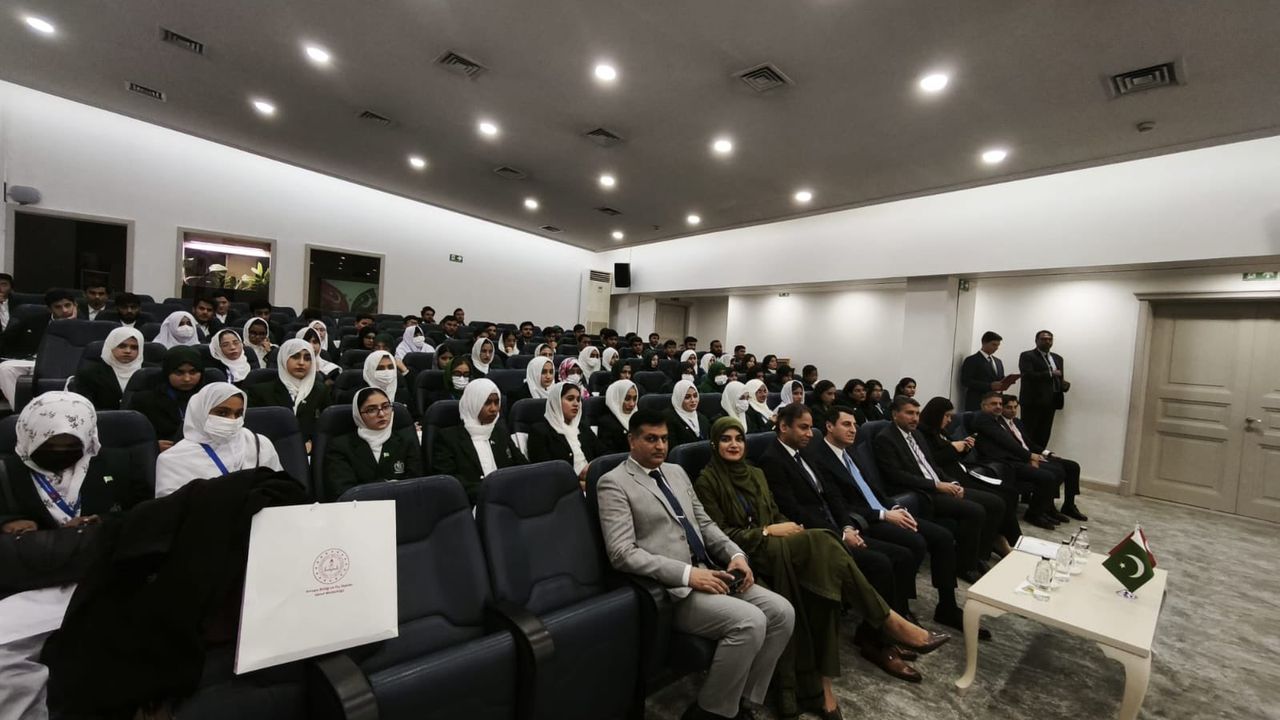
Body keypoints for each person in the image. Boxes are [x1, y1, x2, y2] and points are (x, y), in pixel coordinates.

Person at [695, 418, 951, 710]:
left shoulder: (755, 473)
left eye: (739, 439)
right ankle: (889, 621)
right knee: (827, 541)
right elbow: (719, 535)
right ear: (714, 444)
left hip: (782, 543)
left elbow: (775, 512)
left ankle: (823, 684)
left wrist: (787, 526)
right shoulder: (706, 482)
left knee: (825, 584)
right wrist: (767, 531)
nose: (734, 445)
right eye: (725, 439)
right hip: (752, 552)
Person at [595, 409, 796, 720]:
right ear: (632, 440)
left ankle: (742, 702)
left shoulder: (676, 472)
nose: (660, 446)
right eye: (651, 439)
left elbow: (704, 523)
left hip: (712, 571)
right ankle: (711, 712)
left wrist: (736, 555)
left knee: (782, 613)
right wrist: (688, 575)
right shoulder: (613, 482)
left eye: (664, 439)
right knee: (750, 621)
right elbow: (622, 553)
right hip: (673, 589)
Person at [805, 407, 981, 637]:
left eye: (855, 425)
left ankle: (946, 606)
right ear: (829, 426)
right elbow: (839, 505)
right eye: (846, 424)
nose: (853, 430)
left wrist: (894, 507)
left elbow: (873, 488)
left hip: (885, 510)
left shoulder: (850, 451)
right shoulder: (820, 458)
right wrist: (883, 515)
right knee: (914, 545)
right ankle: (899, 609)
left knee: (943, 537)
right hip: (866, 520)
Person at [756, 404, 920, 650]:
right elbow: (793, 510)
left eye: (810, 428)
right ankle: (875, 641)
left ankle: (889, 626)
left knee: (903, 555)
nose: (810, 434)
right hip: (815, 535)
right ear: (783, 427)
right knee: (880, 564)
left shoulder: (804, 452)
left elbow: (832, 496)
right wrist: (840, 535)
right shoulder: (772, 460)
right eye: (803, 428)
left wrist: (846, 526)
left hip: (837, 526)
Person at [872, 395, 1003, 578]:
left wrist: (952, 482)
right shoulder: (885, 438)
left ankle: (980, 556)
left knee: (996, 502)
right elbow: (897, 476)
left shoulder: (916, 434)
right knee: (975, 511)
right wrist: (937, 486)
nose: (915, 418)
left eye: (917, 413)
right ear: (895, 414)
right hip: (921, 493)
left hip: (938, 485)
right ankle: (965, 566)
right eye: (909, 413)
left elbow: (932, 466)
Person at [918, 396, 1020, 552]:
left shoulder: (940, 431)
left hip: (962, 472)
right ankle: (999, 543)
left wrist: (964, 448)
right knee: (998, 501)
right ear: (936, 415)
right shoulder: (923, 434)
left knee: (1008, 492)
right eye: (947, 416)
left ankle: (1006, 539)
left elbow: (951, 455)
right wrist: (953, 448)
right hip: (950, 479)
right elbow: (932, 461)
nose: (950, 420)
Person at [154, 383, 283, 497]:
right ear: (201, 412)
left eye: (238, 414)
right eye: (222, 413)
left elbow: (280, 489)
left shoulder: (260, 444)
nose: (232, 420)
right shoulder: (173, 459)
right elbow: (169, 510)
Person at [432, 378, 526, 504]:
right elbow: (449, 481)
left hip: (509, 499)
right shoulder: (448, 438)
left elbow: (523, 466)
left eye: (496, 402)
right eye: (487, 403)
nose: (494, 409)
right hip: (471, 504)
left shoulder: (500, 432)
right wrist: (490, 492)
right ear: (473, 403)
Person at [323, 387, 423, 500]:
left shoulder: (406, 440)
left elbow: (417, 484)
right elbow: (343, 491)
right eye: (371, 410)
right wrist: (387, 487)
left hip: (403, 503)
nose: (381, 414)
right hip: (360, 507)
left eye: (386, 407)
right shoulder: (341, 446)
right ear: (358, 414)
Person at [1001, 394, 1086, 521]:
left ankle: (1069, 505)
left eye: (1015, 407)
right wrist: (1031, 457)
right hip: (1022, 458)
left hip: (1032, 454)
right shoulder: (999, 424)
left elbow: (1029, 443)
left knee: (1073, 466)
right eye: (1009, 407)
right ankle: (1047, 507)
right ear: (1002, 408)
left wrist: (1048, 453)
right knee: (1056, 470)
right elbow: (1011, 448)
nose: (1013, 410)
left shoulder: (1017, 422)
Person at [245, 338, 331, 447]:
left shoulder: (321, 390)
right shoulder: (259, 392)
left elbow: (326, 427)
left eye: (307, 358)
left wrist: (314, 443)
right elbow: (255, 430)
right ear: (283, 358)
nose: (301, 363)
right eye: (295, 357)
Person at [0, 289, 78, 406]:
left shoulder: (84, 324)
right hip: (31, 361)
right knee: (5, 369)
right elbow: (5, 339)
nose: (64, 310)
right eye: (58, 307)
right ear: (49, 309)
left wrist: (70, 325)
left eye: (68, 305)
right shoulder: (34, 320)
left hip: (63, 364)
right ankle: (23, 409)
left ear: (75, 305)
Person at [124, 346, 206, 451]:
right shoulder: (144, 401)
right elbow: (128, 436)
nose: (187, 378)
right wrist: (151, 445)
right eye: (179, 372)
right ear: (167, 372)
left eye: (193, 372)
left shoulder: (210, 399)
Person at [527, 381, 601, 484]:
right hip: (565, 488)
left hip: (594, 481)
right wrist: (578, 483)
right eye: (570, 399)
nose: (576, 404)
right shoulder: (540, 431)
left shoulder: (582, 427)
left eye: (578, 399)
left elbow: (602, 454)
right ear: (556, 402)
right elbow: (545, 473)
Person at [72, 326, 144, 411]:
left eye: (134, 347)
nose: (128, 351)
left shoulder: (148, 374)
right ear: (110, 346)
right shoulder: (89, 373)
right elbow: (84, 408)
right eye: (122, 346)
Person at [1018, 330, 1070, 447]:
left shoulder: (1057, 358)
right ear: (1036, 341)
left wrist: (1063, 384)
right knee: (1029, 433)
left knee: (1044, 434)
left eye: (1049, 339)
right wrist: (1050, 373)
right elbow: (1027, 375)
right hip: (1033, 402)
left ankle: (1041, 455)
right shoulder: (1027, 356)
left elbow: (1059, 377)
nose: (1047, 341)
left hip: (1052, 401)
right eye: (1043, 339)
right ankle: (1027, 456)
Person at [959, 331, 1011, 411]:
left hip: (996, 403)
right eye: (994, 344)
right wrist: (989, 386)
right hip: (978, 403)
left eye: (998, 345)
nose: (996, 348)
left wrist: (1007, 381)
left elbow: (1000, 379)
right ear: (984, 343)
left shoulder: (998, 361)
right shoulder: (972, 360)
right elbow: (966, 381)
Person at [597, 379, 638, 454]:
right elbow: (608, 455)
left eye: (635, 399)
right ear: (617, 398)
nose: (632, 404)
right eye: (627, 399)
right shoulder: (607, 423)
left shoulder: (639, 418)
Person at [665, 380, 710, 446]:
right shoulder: (668, 418)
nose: (693, 400)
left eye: (695, 396)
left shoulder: (703, 418)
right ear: (679, 398)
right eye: (687, 397)